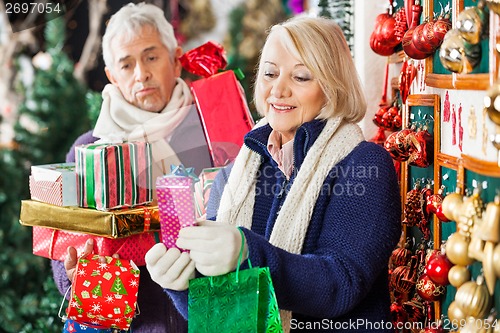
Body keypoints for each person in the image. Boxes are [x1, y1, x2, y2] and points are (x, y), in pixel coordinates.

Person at [145, 16, 402, 332]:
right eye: (269, 73)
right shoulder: (234, 174)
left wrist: (247, 253)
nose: (278, 90)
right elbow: (222, 313)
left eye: (301, 77)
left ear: (333, 86)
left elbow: (341, 283)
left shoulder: (364, 165)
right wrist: (181, 284)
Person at [51, 2, 213, 332]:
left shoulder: (213, 133)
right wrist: (71, 274)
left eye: (151, 57)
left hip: (213, 316)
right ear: (112, 76)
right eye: (126, 65)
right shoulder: (89, 151)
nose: (141, 74)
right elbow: (64, 244)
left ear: (176, 60)